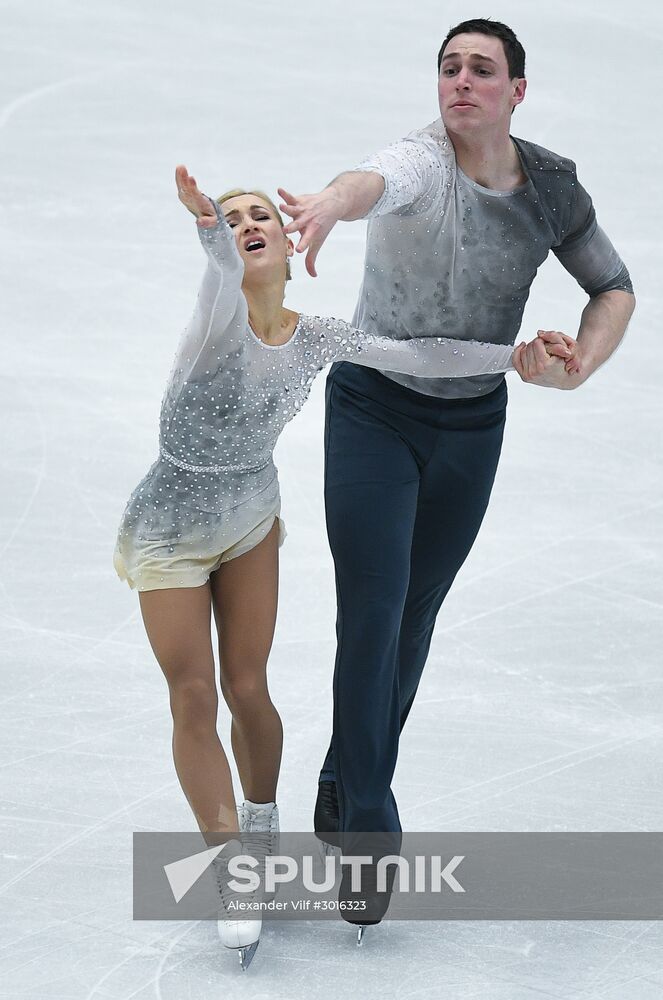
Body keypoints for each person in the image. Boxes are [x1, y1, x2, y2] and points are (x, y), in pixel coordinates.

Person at [113, 165, 569, 967]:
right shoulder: (217, 316)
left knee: (247, 688)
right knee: (193, 691)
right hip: (170, 529)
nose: (247, 224)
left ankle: (258, 826)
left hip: (250, 518)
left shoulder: (317, 336)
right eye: (234, 218)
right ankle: (231, 868)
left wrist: (514, 356)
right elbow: (220, 268)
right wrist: (207, 228)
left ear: (295, 248)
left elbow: (420, 356)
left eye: (262, 216)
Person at [278, 17, 635, 936]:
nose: (460, 82)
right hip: (372, 408)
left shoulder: (549, 187)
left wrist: (581, 362)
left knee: (413, 617)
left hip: (471, 425)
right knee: (371, 610)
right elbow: (371, 184)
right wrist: (325, 202)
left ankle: (340, 777)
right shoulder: (420, 161)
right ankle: (367, 824)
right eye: (448, 68)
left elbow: (613, 286)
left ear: (518, 90)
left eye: (482, 70)